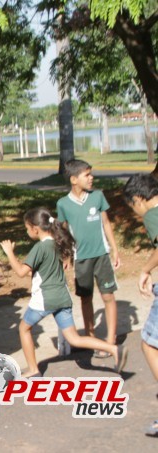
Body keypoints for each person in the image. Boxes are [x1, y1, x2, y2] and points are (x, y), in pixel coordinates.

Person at [0, 207, 128, 378]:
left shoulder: (40, 247)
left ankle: (33, 369)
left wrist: (9, 254)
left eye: (26, 228)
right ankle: (114, 349)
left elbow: (21, 272)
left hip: (46, 298)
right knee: (74, 338)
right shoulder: (57, 242)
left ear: (35, 228)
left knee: (24, 328)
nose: (26, 231)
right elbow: (41, 270)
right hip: (63, 297)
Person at [56, 159, 119, 357]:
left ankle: (111, 340)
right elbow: (62, 232)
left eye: (91, 174)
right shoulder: (63, 204)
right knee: (86, 299)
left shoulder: (98, 196)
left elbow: (107, 224)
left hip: (101, 255)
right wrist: (66, 255)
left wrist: (114, 249)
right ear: (74, 179)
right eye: (87, 175)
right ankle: (91, 339)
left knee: (108, 296)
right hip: (81, 259)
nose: (91, 178)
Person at [122, 174, 158, 436]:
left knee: (149, 343)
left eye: (132, 206)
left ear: (138, 200)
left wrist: (145, 270)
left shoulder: (152, 215)